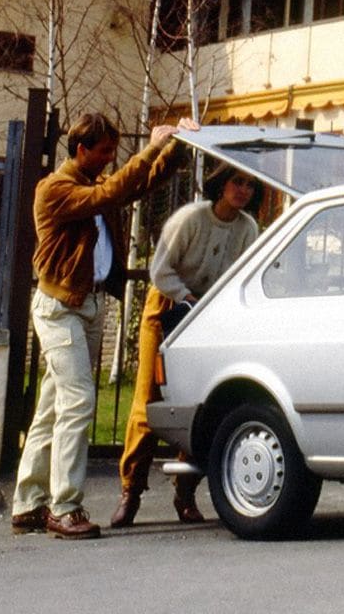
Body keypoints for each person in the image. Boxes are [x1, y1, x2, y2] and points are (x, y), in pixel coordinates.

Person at [10, 113, 198, 540]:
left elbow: (134, 186)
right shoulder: (54, 189)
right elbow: (116, 189)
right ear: (81, 150)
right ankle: (65, 507)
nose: (111, 159)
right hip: (60, 308)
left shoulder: (94, 187)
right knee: (78, 402)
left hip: (89, 305)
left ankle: (27, 504)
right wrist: (152, 146)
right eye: (105, 152)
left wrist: (174, 151)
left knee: (52, 408)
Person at [110, 162, 260, 528]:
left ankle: (185, 491)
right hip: (167, 306)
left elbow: (243, 276)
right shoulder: (191, 218)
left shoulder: (248, 228)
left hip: (208, 316)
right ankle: (131, 492)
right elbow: (160, 269)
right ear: (221, 184)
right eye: (237, 182)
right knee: (149, 399)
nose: (243, 191)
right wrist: (186, 297)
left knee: (199, 401)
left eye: (250, 186)